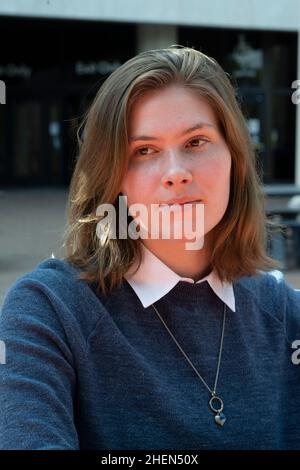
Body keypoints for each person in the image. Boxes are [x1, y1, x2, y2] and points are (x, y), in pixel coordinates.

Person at [0, 45, 300, 451]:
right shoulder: (51, 311)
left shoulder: (284, 314)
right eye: (144, 150)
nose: (176, 173)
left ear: (235, 159)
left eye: (196, 141)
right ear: (113, 178)